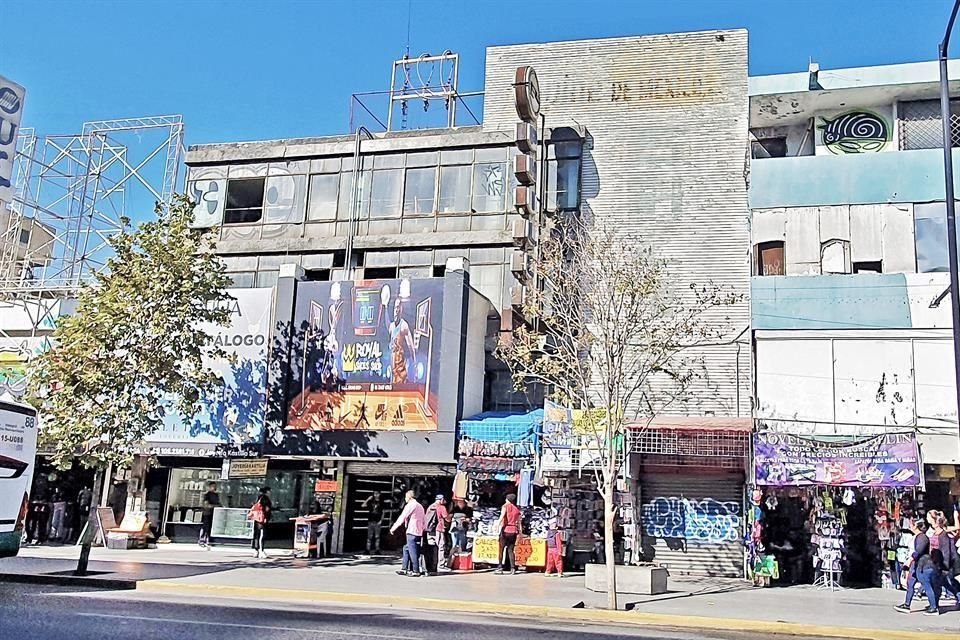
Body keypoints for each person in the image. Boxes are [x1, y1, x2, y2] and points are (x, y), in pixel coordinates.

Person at [894, 520, 941, 615]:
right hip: (917, 565)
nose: (910, 525)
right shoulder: (916, 537)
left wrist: (909, 560)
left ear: (917, 526)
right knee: (910, 583)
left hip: (924, 565)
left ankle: (934, 607)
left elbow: (918, 551)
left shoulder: (923, 538)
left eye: (912, 524)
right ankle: (907, 604)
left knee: (926, 585)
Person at [390, 490, 426, 577]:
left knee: (412, 551)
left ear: (409, 497)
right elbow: (424, 520)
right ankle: (404, 568)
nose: (405, 499)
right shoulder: (420, 506)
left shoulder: (411, 505)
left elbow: (403, 516)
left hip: (412, 531)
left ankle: (415, 570)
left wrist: (393, 528)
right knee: (406, 548)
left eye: (405, 497)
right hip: (418, 531)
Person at [496, 493, 522, 575]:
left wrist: (497, 525)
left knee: (501, 549)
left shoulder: (505, 506)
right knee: (511, 550)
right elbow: (519, 523)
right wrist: (520, 533)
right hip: (513, 531)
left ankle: (500, 567)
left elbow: (502, 516)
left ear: (508, 499)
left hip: (505, 530)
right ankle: (513, 568)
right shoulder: (517, 509)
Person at [250, 486, 272, 559]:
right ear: (267, 492)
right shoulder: (266, 499)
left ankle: (256, 550)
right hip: (262, 519)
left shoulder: (258, 498)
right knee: (262, 535)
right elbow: (266, 509)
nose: (270, 493)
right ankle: (261, 550)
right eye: (269, 491)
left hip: (257, 519)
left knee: (256, 534)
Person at [199, 482, 220, 549]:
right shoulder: (207, 495)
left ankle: (210, 540)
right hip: (207, 513)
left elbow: (218, 503)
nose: (214, 488)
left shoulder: (216, 495)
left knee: (210, 527)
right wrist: (214, 506)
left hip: (213, 513)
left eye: (215, 486)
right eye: (213, 486)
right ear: (210, 487)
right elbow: (206, 505)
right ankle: (202, 540)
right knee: (205, 527)